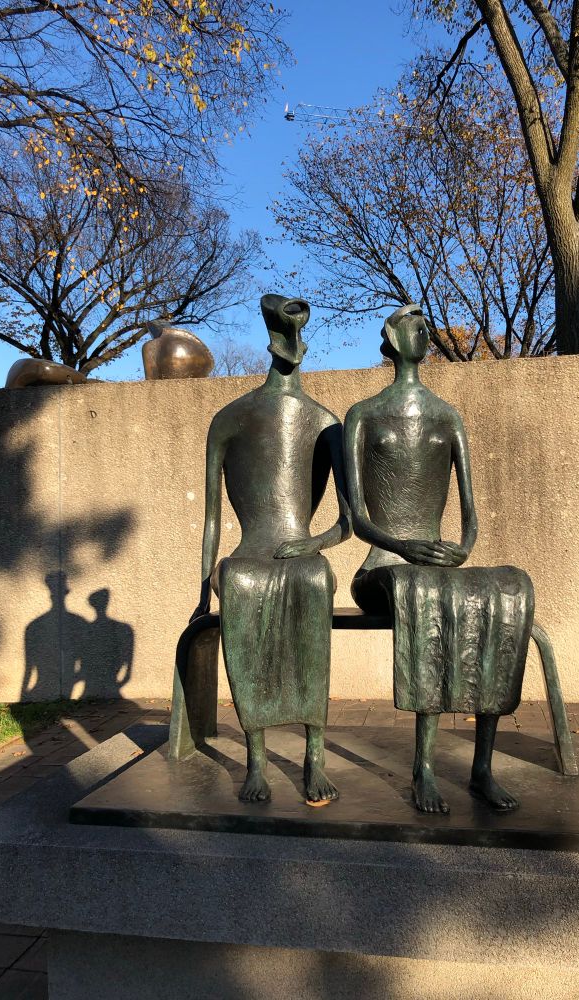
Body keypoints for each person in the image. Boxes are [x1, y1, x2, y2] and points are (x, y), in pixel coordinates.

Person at [343, 304, 534, 813]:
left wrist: (463, 549)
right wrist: (402, 547)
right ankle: (423, 768)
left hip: (435, 564)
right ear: (391, 336)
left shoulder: (448, 416)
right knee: (427, 597)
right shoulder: (362, 415)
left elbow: (471, 515)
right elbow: (357, 518)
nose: (425, 335)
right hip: (380, 568)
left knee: (506, 594)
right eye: (415, 327)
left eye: (427, 328)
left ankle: (482, 768)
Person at [191, 293, 351, 803]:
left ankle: (314, 756)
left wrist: (314, 541)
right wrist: (202, 590)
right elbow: (212, 517)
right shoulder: (230, 417)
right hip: (249, 553)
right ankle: (256, 758)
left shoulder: (327, 421)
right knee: (239, 582)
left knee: (312, 578)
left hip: (300, 551)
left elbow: (348, 521)